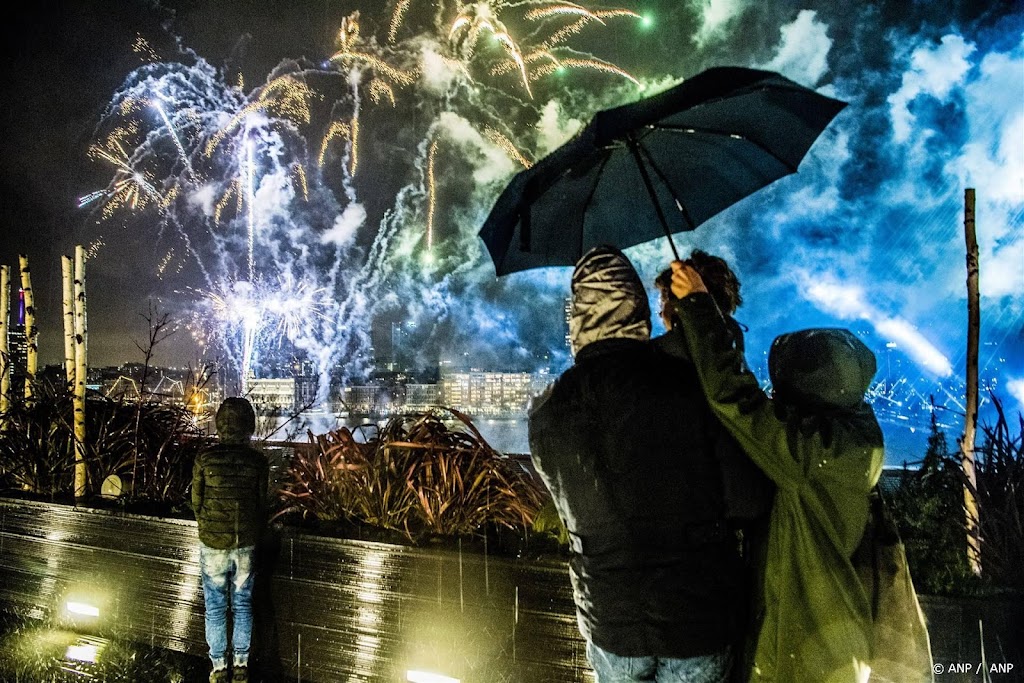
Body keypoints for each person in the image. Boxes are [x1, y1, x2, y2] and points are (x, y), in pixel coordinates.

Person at [529, 245, 744, 683]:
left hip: (609, 620)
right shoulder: (686, 380)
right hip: (696, 617)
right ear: (638, 311)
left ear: (576, 320)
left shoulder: (547, 412)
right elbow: (743, 498)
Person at [669, 261, 884, 683]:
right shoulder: (851, 437)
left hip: (802, 655)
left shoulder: (808, 455)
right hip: (837, 645)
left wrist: (697, 306)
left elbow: (738, 401)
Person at [192, 397, 270, 683]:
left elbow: (196, 501)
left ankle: (218, 667)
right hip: (245, 543)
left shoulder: (205, 458)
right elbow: (262, 504)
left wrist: (208, 526)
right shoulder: (258, 461)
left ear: (219, 424)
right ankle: (240, 664)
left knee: (214, 606)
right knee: (242, 604)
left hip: (212, 542)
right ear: (249, 426)